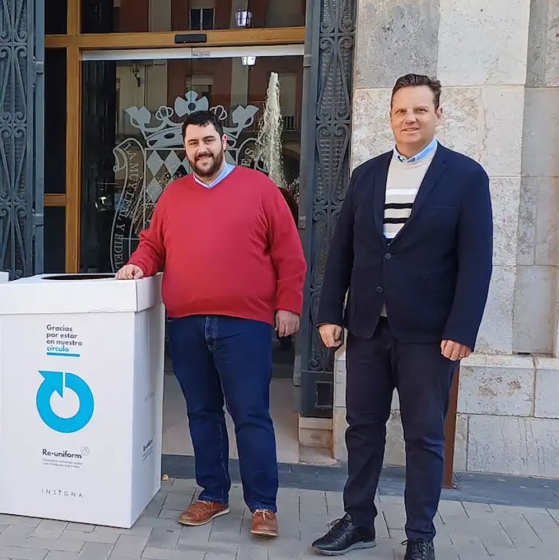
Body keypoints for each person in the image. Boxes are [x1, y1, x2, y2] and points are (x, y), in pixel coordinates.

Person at [311, 74, 493, 560]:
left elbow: (477, 261)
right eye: (400, 111)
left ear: (438, 114)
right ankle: (359, 521)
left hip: (430, 336)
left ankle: (420, 537)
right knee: (362, 429)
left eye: (419, 110)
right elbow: (343, 249)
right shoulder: (366, 175)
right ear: (389, 116)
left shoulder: (466, 177)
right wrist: (331, 312)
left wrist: (462, 329)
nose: (409, 119)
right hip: (369, 328)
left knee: (424, 437)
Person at [116, 110, 306, 537]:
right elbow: (152, 245)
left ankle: (262, 505)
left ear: (224, 142)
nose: (201, 149)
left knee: (251, 414)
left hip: (245, 325)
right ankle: (212, 495)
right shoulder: (174, 196)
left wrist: (288, 305)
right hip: (186, 325)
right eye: (193, 144)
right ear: (185, 149)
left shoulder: (260, 190)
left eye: (208, 140)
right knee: (201, 413)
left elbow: (289, 252)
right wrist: (136, 265)